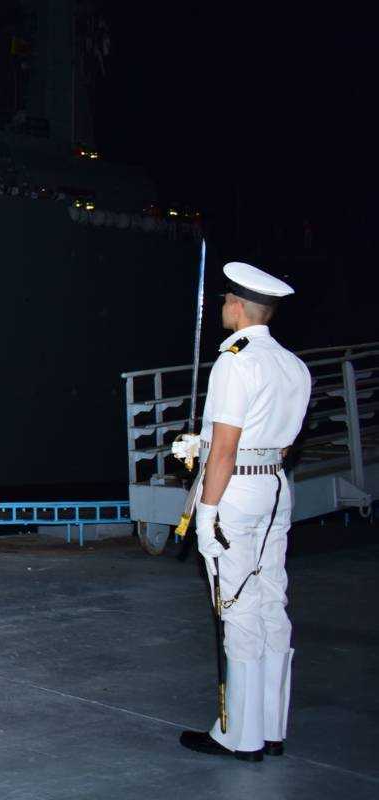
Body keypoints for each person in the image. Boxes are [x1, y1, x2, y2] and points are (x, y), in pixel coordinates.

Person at [172, 262, 311, 762]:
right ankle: (271, 729)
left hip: (237, 493)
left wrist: (206, 515)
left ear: (238, 306)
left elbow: (227, 449)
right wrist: (203, 443)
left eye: (227, 300)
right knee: (272, 600)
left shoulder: (235, 360)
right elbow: (272, 439)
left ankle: (238, 735)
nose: (224, 307)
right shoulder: (293, 365)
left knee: (236, 606)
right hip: (276, 487)